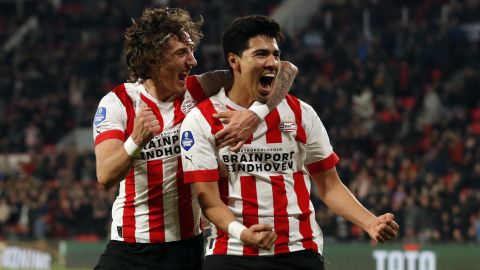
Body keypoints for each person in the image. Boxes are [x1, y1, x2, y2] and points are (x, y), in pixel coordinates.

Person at [180, 15, 400, 270]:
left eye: (276, 54)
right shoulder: (202, 118)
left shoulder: (300, 113)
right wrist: (243, 233)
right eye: (261, 54)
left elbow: (330, 186)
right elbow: (208, 200)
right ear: (234, 60)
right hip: (232, 252)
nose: (273, 62)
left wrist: (369, 222)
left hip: (299, 251)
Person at [92, 7, 296, 270]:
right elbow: (105, 175)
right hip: (130, 247)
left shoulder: (199, 88)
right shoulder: (117, 103)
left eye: (191, 51)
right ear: (154, 58)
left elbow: (286, 71)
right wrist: (136, 140)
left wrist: (255, 115)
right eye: (182, 53)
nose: (193, 61)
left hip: (187, 247)